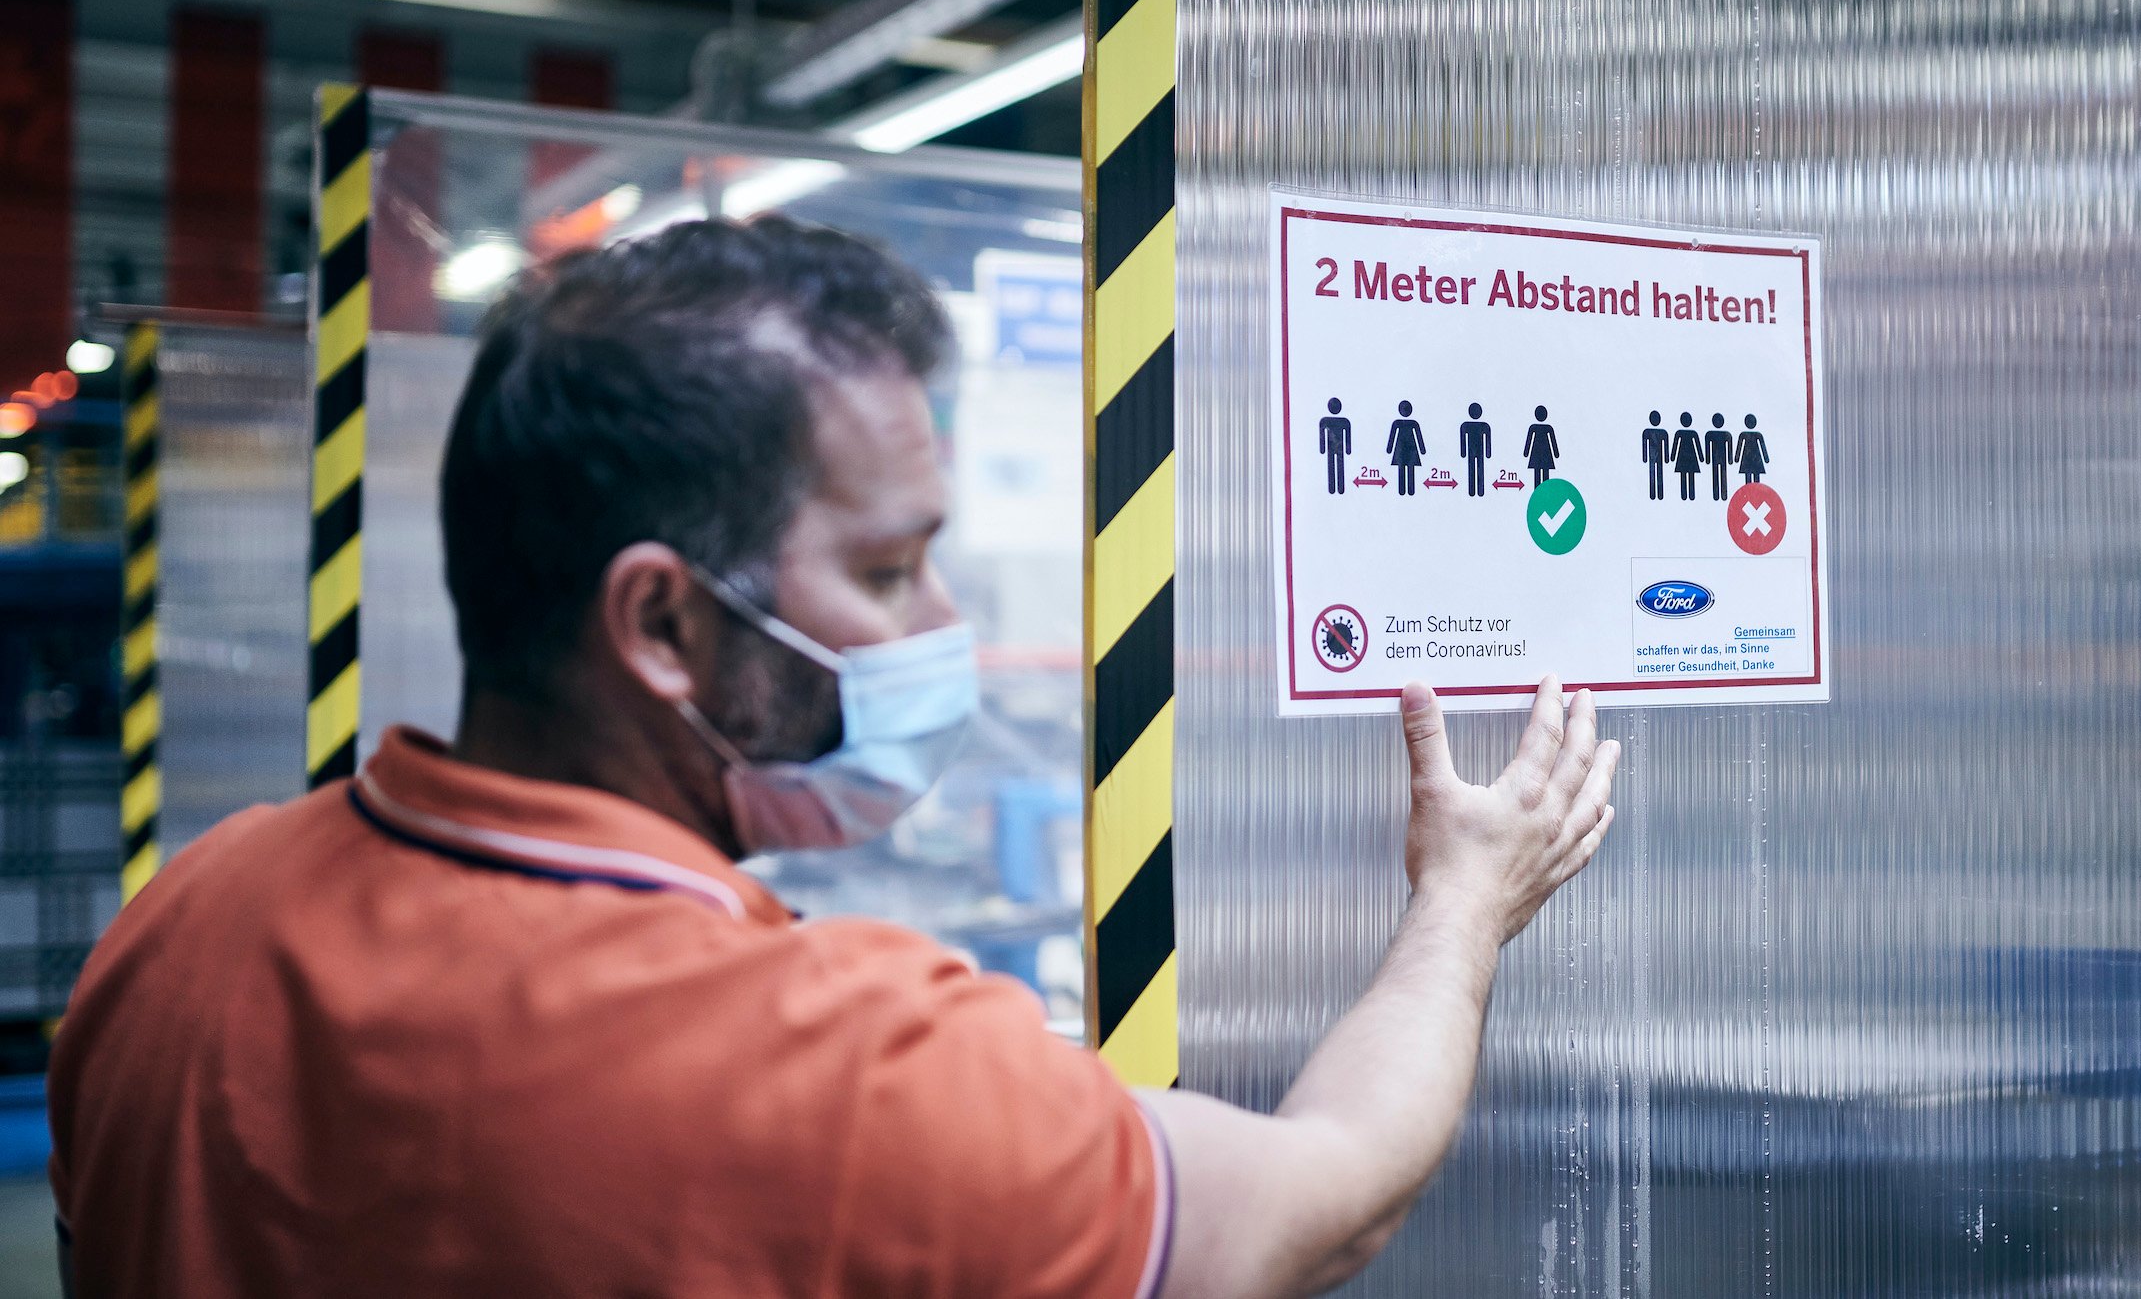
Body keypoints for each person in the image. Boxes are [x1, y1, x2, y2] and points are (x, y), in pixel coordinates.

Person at [46, 218, 1620, 1299]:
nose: (942, 622)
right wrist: (1463, 901)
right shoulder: (842, 1070)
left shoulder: (184, 921)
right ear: (660, 620)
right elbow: (1326, 1199)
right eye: (884, 573)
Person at [1387, 399, 1425, 496]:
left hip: (1411, 449)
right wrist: (1389, 448)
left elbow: (1419, 436)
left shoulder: (1413, 423)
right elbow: (1392, 436)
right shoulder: (1398, 423)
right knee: (1401, 468)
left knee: (1409, 467)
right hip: (1401, 448)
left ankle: (1410, 490)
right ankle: (1402, 490)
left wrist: (1422, 449)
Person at [1319, 397, 1353, 495]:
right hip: (1334, 448)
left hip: (1338, 448)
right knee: (1333, 466)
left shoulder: (1343, 421)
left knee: (1337, 466)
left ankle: (1339, 488)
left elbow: (1347, 435)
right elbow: (1322, 435)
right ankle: (1333, 488)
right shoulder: (1327, 421)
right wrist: (1322, 448)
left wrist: (1348, 449)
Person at [1459, 402, 1492, 497]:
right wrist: (1487, 453)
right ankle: (1474, 491)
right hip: (1475, 451)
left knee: (1476, 469)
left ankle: (1476, 490)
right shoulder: (1466, 426)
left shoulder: (1482, 426)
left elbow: (1487, 440)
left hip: (1476, 451)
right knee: (1474, 469)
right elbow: (1463, 440)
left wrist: (1463, 453)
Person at [1522, 405, 1560, 487]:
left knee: (1538, 474)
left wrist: (1526, 453)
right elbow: (1553, 441)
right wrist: (1556, 454)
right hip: (1545, 454)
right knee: (1542, 473)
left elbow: (1529, 441)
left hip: (1539, 453)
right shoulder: (1545, 428)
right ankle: (1541, 493)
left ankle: (1540, 493)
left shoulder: (1535, 427)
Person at [1670, 411, 1704, 501]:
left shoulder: (1687, 433)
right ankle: (1686, 495)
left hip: (1687, 457)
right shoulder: (1683, 433)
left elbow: (1697, 445)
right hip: (1686, 457)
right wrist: (1701, 458)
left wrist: (1672, 457)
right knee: (1686, 476)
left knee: (1686, 476)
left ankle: (1688, 495)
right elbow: (1675, 445)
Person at [1704, 412, 1734, 501]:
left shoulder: (1726, 434)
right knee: (1717, 474)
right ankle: (1717, 495)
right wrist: (1707, 459)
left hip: (1719, 458)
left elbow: (1729, 447)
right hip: (1717, 458)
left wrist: (1730, 459)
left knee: (1720, 474)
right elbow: (1707, 447)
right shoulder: (1711, 434)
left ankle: (1721, 494)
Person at [1640, 411, 1669, 501]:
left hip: (1655, 456)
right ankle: (1654, 493)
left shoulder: (1662, 433)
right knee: (1653, 474)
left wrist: (1667, 458)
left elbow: (1666, 445)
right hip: (1653, 456)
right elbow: (1645, 445)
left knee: (1657, 474)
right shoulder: (1647, 432)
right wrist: (1645, 457)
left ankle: (1659, 493)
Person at [1735, 413, 1769, 487]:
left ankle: (1756, 494)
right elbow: (1739, 447)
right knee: (1748, 477)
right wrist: (1736, 458)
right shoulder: (1743, 435)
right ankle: (1749, 494)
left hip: (1755, 458)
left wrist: (1766, 458)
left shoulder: (1758, 435)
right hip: (1749, 459)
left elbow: (1763, 447)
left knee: (1755, 477)